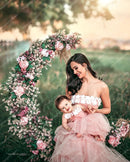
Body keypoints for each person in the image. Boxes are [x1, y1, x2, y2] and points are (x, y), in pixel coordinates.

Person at [50, 53, 129, 162]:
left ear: (85, 65)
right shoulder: (71, 85)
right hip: (73, 129)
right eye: (72, 70)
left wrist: (96, 110)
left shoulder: (101, 86)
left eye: (76, 68)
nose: (74, 72)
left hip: (92, 128)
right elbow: (67, 107)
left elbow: (107, 109)